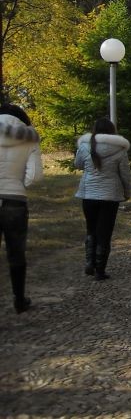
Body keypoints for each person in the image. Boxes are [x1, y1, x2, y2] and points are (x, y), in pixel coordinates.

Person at [74, 118, 131, 280]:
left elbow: (78, 164)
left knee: (91, 229)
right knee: (105, 232)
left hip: (88, 194)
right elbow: (125, 174)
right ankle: (100, 270)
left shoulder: (85, 146)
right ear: (112, 130)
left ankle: (89, 262)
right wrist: (127, 192)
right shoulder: (120, 149)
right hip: (110, 195)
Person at [0, 104, 43, 314]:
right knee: (16, 253)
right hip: (14, 201)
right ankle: (19, 299)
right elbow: (35, 176)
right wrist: (18, 184)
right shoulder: (28, 136)